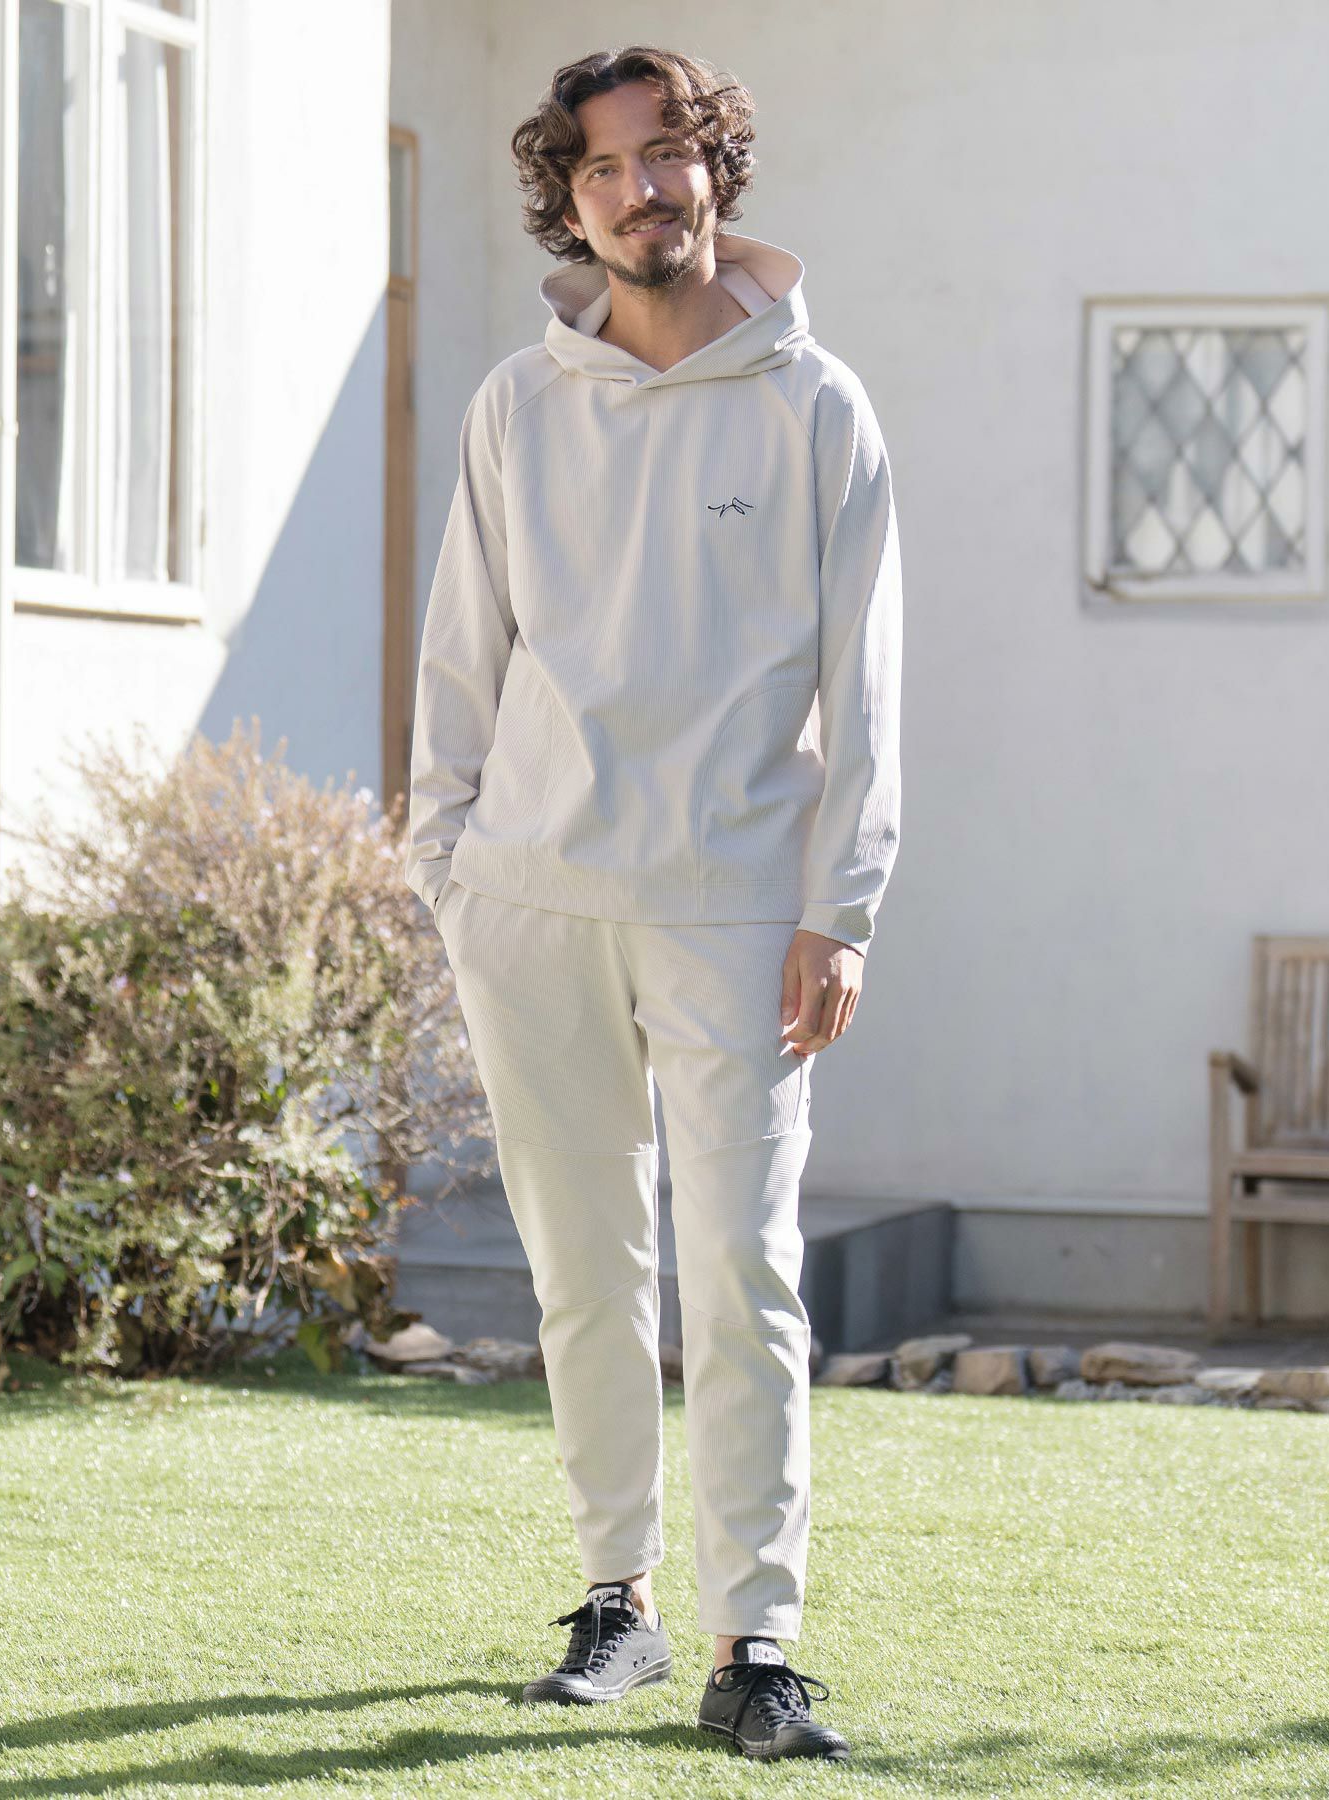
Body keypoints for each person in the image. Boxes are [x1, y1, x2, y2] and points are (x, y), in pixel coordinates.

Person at [404, 43, 902, 1765]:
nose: (640, 189)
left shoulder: (816, 405)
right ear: (571, 199)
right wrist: (449, 870)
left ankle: (756, 1642)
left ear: (716, 170)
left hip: (739, 912)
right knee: (585, 1273)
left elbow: (868, 686)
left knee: (743, 1269)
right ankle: (615, 1600)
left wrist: (841, 906)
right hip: (531, 902)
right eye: (604, 167)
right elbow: (461, 657)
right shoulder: (516, 405)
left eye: (666, 154)